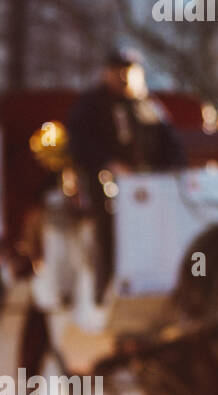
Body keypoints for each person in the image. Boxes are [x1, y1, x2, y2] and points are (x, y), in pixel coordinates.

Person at [65, 46, 187, 300]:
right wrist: (108, 162)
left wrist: (174, 167)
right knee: (109, 232)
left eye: (129, 71)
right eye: (118, 71)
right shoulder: (90, 104)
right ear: (106, 72)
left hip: (148, 187)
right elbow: (79, 142)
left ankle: (159, 284)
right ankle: (107, 288)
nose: (123, 77)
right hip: (104, 186)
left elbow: (170, 141)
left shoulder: (146, 104)